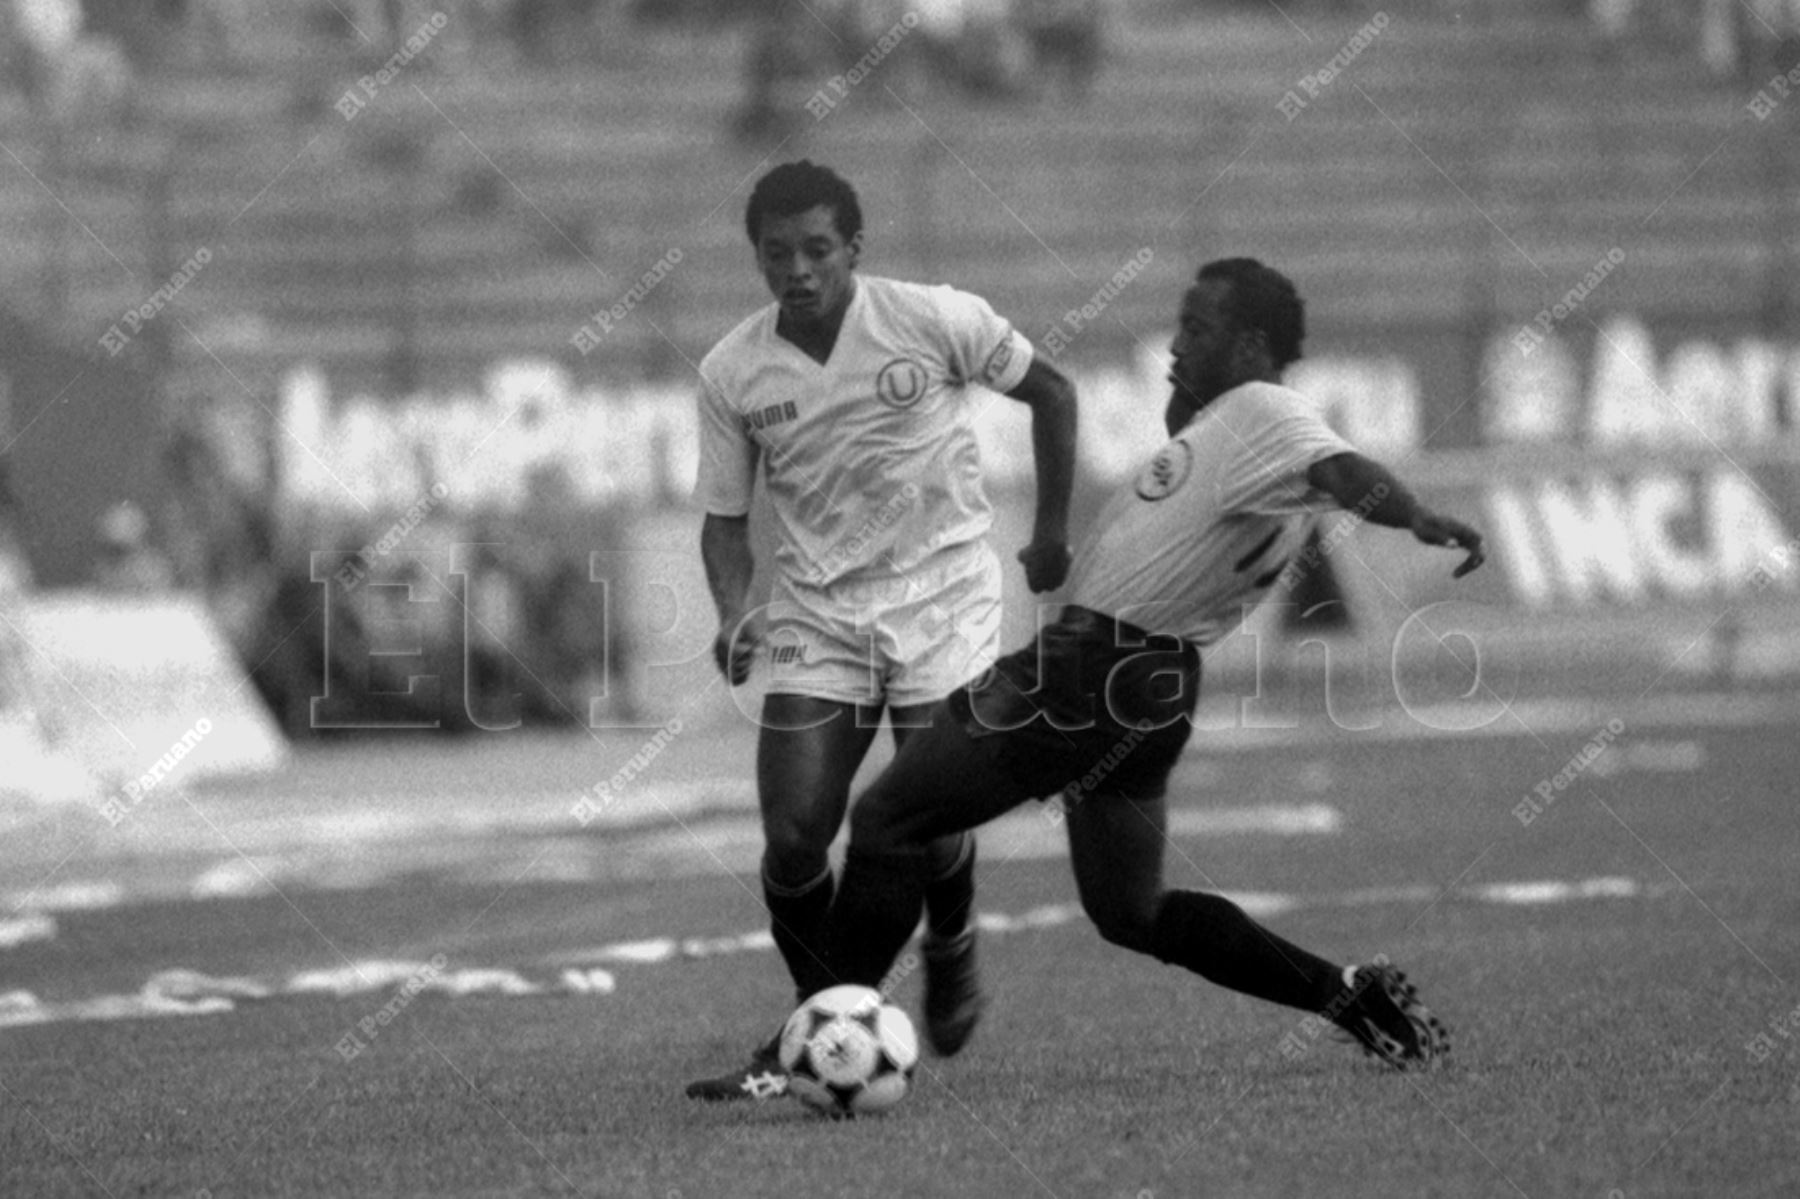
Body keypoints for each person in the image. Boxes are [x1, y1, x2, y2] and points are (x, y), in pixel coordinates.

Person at [821, 257, 1485, 1070]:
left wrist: (1414, 514)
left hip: (1091, 667)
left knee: (889, 817)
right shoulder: (1229, 430)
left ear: (1249, 344)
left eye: (1196, 329)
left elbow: (1342, 471)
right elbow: (1253, 460)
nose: (1176, 345)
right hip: (1150, 687)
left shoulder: (1266, 410)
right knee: (1131, 910)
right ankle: (1345, 992)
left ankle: (821, 1041)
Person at [685, 161, 1078, 1100]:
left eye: (817, 249)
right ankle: (824, 1029)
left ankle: (944, 941)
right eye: (776, 254)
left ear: (854, 247)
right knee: (792, 840)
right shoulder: (734, 371)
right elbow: (725, 520)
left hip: (944, 598)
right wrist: (734, 608)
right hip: (821, 614)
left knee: (917, 818)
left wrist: (1052, 534)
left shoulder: (931, 318)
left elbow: (1054, 394)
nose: (799, 270)